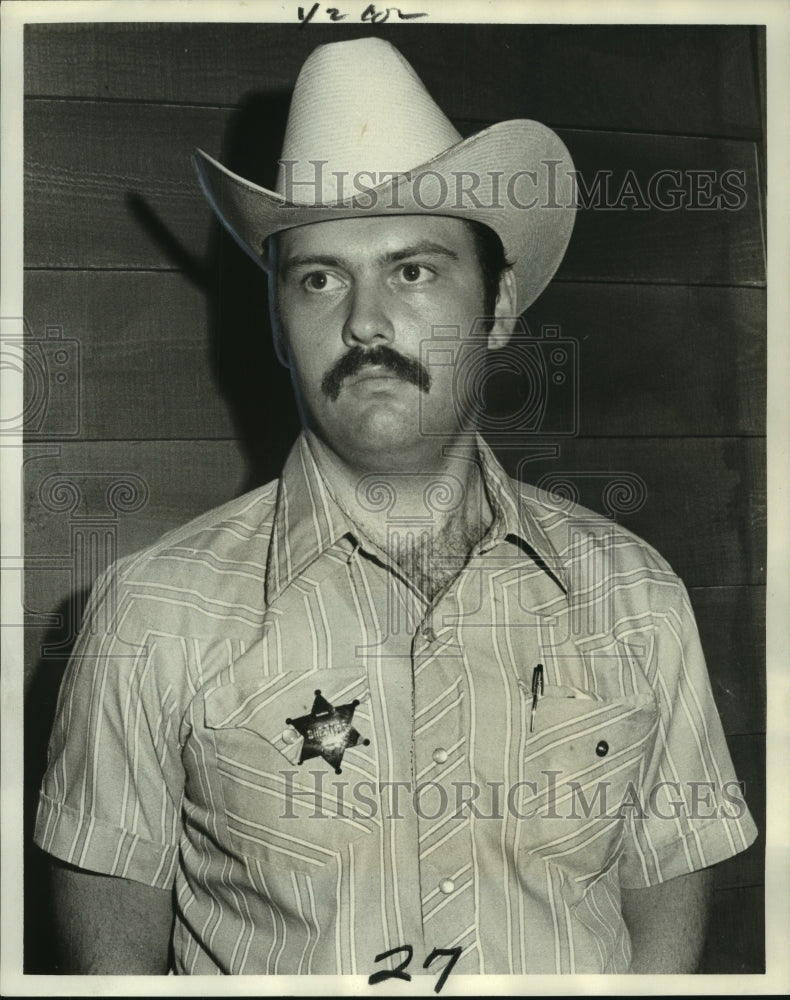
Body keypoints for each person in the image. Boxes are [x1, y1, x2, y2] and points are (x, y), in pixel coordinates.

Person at [34, 37, 757, 978]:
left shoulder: (635, 595)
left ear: (498, 306)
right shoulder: (150, 616)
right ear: (278, 323)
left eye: (413, 270)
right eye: (320, 278)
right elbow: (110, 968)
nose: (365, 321)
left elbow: (662, 915)